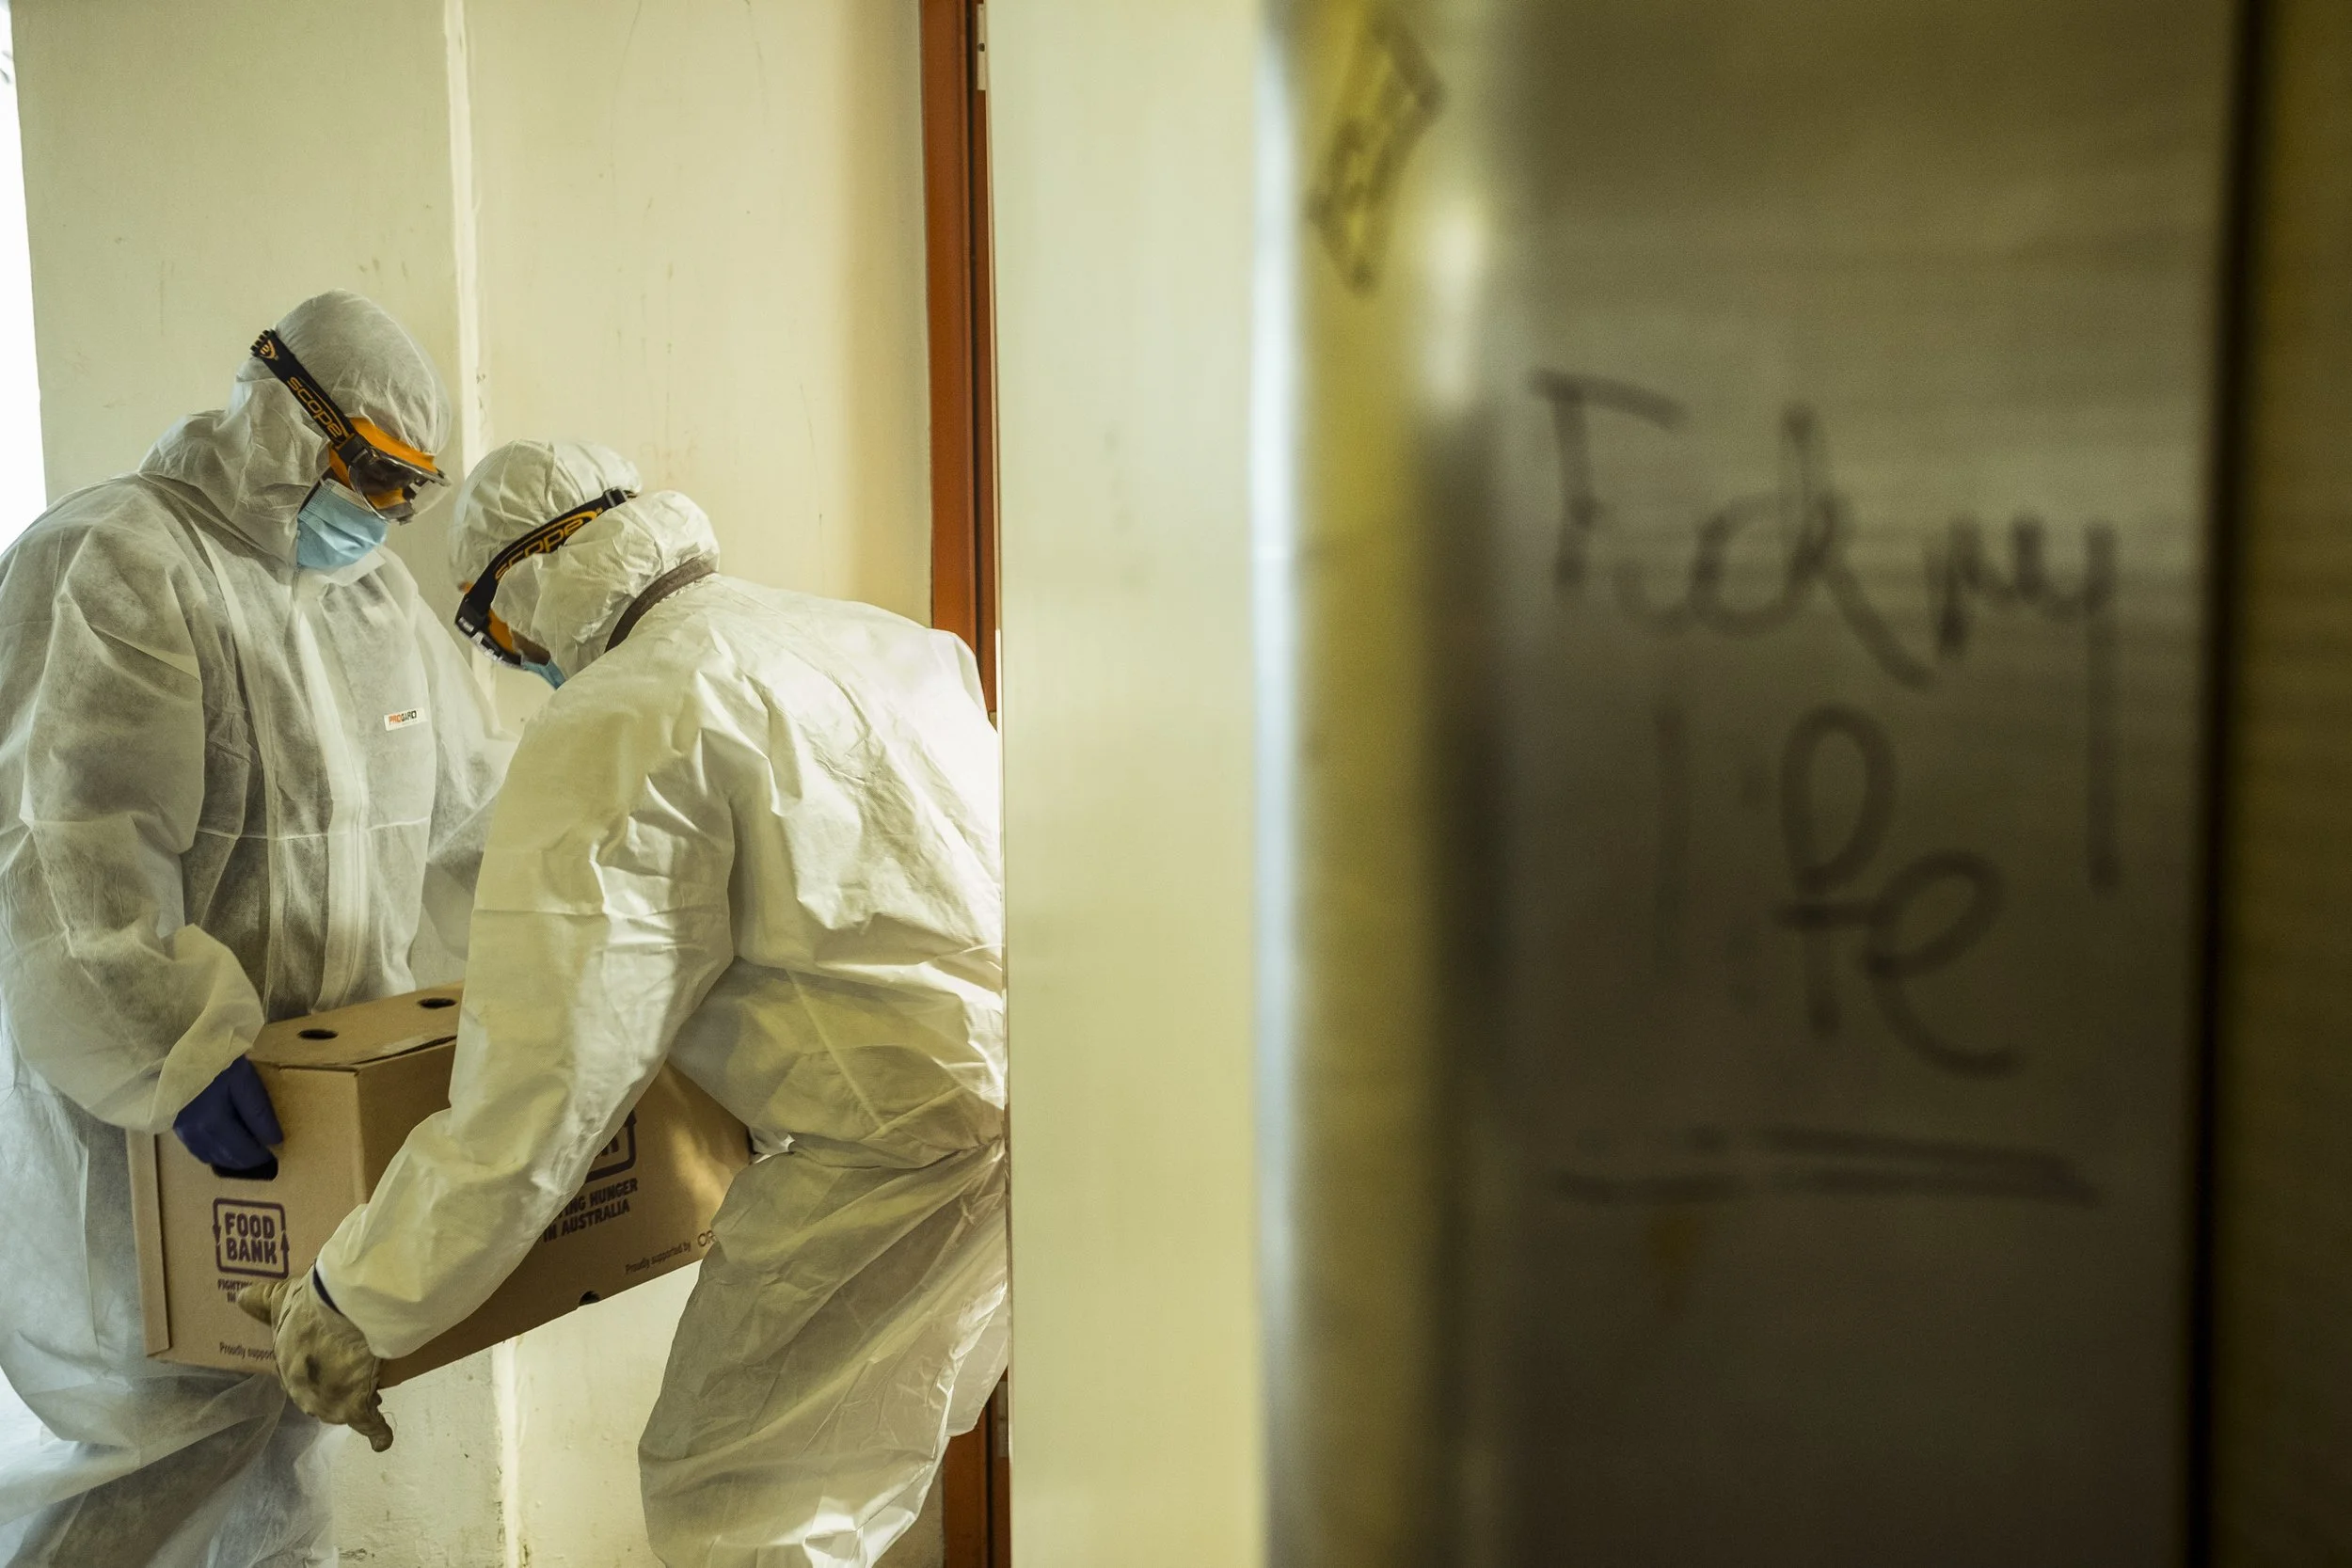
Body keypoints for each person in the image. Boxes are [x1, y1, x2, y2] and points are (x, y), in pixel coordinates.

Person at [241, 439, 1009, 1568]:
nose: (517, 656)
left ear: (527, 577)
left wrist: (353, 1296)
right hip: (1046, 1112)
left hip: (896, 1160)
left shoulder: (624, 712)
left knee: (738, 1503)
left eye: (493, 628)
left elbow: (541, 1092)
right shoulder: (876, 639)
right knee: (839, 1487)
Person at [0, 292, 510, 1566]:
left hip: (310, 1107)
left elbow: (467, 812)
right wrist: (172, 1043)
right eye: (374, 473)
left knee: (287, 1413)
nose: (386, 514)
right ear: (290, 417)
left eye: (411, 489)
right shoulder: (119, 557)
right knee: (157, 1435)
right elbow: (70, 842)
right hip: (148, 1112)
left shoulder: (372, 599)